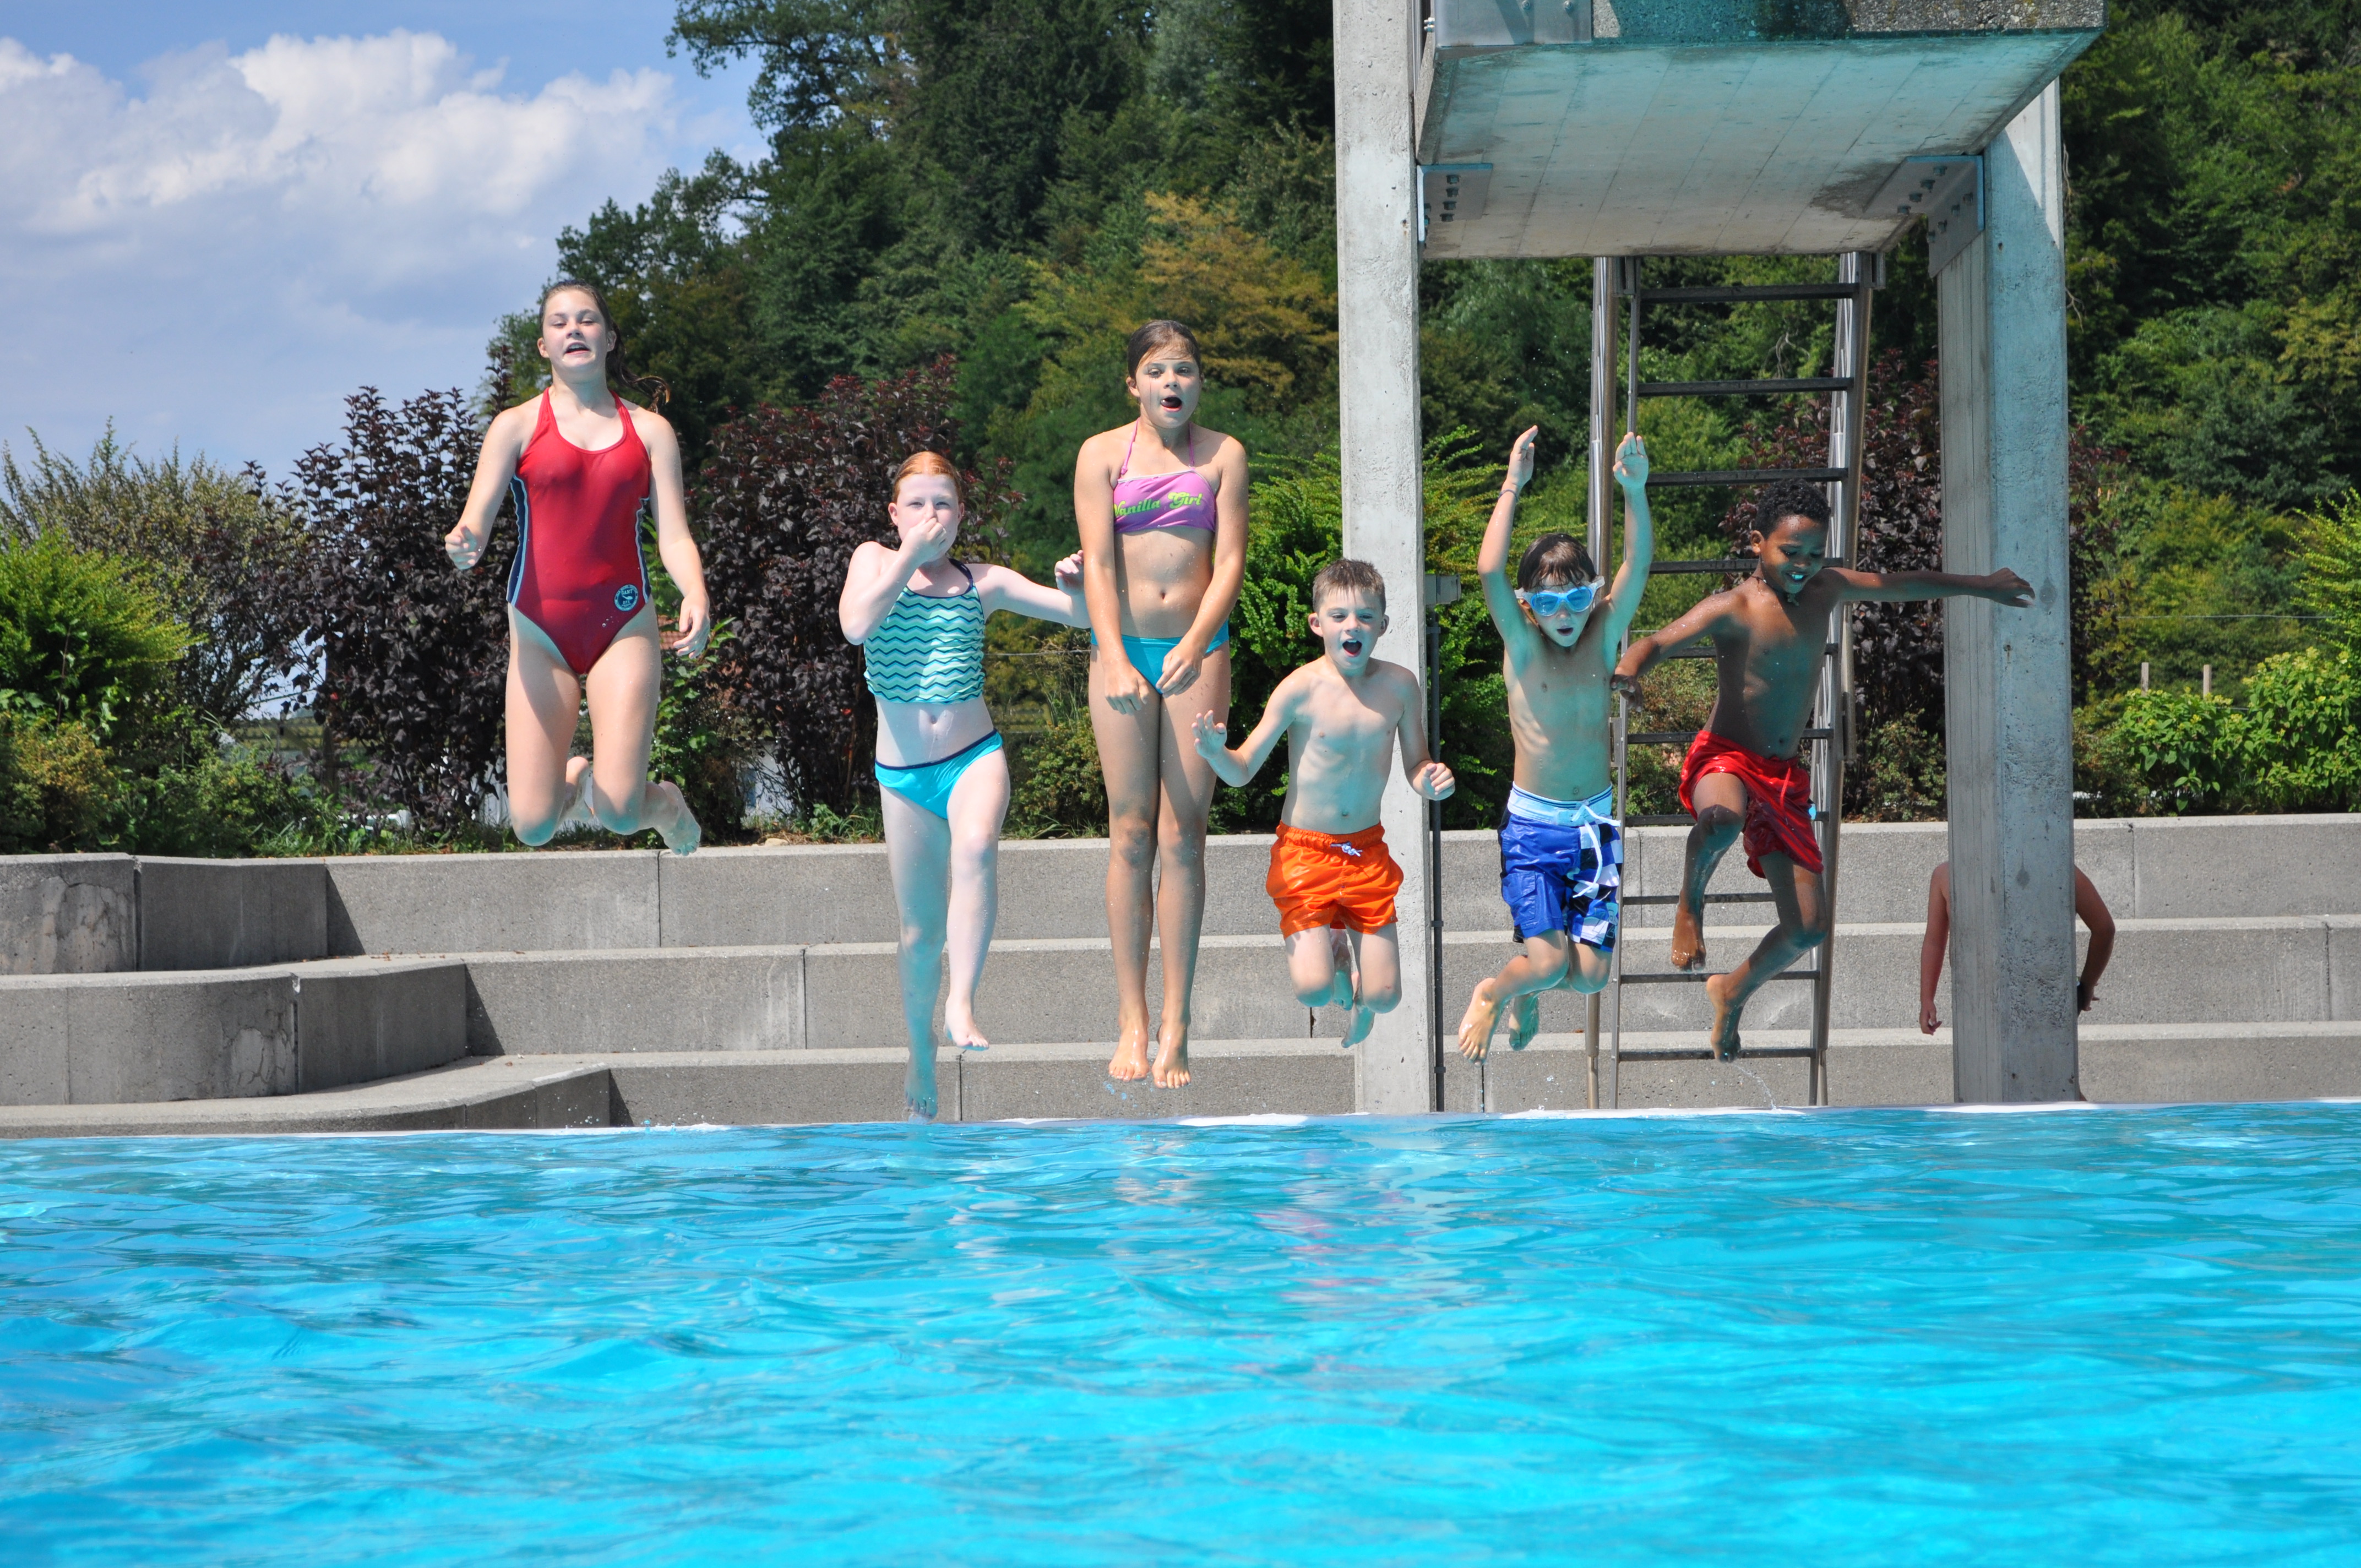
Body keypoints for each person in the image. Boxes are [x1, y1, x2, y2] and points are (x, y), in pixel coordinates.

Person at [1612, 478, 2035, 1061]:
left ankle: (1731, 993)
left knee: (1808, 928)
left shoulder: (1827, 589)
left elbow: (1901, 584)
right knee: (1721, 819)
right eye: (1791, 552)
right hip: (1726, 757)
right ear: (1757, 543)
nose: (1803, 565)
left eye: (1815, 554)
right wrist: (1629, 670)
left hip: (1782, 776)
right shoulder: (1733, 607)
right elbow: (1658, 642)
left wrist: (1980, 586)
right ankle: (1690, 903)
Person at [839, 453, 1090, 1121]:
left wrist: (1076, 584)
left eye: (944, 504)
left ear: (961, 515)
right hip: (903, 778)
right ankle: (919, 1048)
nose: (931, 516)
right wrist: (906, 558)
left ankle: (962, 1000)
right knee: (919, 933)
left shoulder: (984, 581)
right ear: (893, 515)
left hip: (973, 757)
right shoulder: (873, 560)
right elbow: (856, 626)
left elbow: (1083, 617)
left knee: (976, 847)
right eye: (916, 504)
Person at [445, 279, 709, 853]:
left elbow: (674, 535)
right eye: (559, 322)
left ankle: (664, 804)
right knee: (533, 826)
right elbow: (475, 519)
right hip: (540, 631)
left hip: (623, 624)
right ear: (544, 346)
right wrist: (466, 541)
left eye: (587, 320)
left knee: (619, 813)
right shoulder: (515, 426)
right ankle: (575, 778)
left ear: (609, 338)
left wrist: (695, 592)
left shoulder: (651, 432)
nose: (574, 330)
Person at [1073, 320, 1249, 1090]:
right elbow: (1098, 564)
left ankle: (1178, 1020)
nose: (1171, 382)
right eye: (1156, 370)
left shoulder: (1224, 455)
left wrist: (1197, 640)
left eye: (1183, 369)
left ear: (1199, 382)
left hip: (1197, 652)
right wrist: (1113, 653)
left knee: (1184, 836)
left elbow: (1231, 560)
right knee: (1131, 831)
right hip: (1123, 651)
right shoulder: (1101, 455)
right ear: (1133, 384)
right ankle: (1132, 1016)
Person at [1192, 560, 1455, 1048]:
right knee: (1312, 991)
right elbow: (1243, 769)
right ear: (1317, 624)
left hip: (1364, 851)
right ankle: (1335, 958)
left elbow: (1416, 762)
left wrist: (1431, 780)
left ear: (1383, 625)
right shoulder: (1300, 689)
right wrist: (1214, 753)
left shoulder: (1400, 687)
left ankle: (1358, 992)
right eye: (1339, 617)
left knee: (1385, 997)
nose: (1352, 626)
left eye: (1365, 617)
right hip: (1305, 852)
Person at [1457, 426, 1655, 1060]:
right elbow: (1487, 569)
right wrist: (1511, 484)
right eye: (1548, 602)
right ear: (1527, 606)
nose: (1564, 614)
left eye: (1576, 598)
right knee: (1545, 962)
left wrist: (1635, 491)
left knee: (1590, 976)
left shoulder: (1603, 637)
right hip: (1534, 830)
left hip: (1595, 828)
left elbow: (1637, 566)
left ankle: (1530, 988)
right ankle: (1496, 991)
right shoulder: (1522, 646)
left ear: (1593, 596)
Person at [1920, 861, 2115, 1033]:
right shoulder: (2058, 867)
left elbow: (1935, 941)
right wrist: (2086, 984)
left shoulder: (1947, 874)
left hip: (1982, 1002)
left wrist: (1927, 999)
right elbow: (2105, 929)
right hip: (2037, 1004)